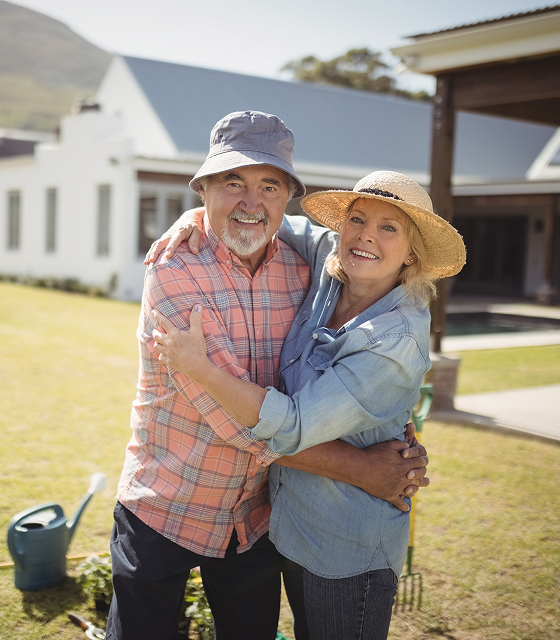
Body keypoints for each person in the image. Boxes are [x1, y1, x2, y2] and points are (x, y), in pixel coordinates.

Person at [107, 110, 430, 640]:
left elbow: (288, 417)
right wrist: (363, 469)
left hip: (253, 517)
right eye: (233, 183)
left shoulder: (304, 267)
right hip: (169, 504)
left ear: (286, 197)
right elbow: (234, 421)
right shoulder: (174, 273)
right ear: (204, 188)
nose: (252, 202)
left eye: (269, 186)